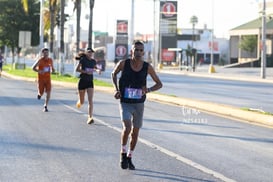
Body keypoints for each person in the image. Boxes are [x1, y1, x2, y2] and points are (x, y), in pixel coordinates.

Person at [111, 40, 163, 170]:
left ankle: (129, 157)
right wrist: (116, 89)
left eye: (141, 50)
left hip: (139, 103)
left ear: (143, 52)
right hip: (125, 102)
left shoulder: (147, 67)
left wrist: (149, 90)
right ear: (131, 51)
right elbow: (113, 74)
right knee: (127, 127)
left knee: (135, 132)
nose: (139, 52)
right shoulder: (124, 64)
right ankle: (122, 153)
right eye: (136, 50)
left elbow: (159, 84)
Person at [75, 47, 101, 124]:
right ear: (86, 53)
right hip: (82, 81)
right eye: (89, 52)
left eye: (91, 52)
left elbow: (95, 68)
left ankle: (90, 117)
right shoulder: (83, 60)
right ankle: (79, 101)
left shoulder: (93, 61)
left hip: (90, 82)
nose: (90, 54)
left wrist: (98, 70)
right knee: (82, 101)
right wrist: (86, 72)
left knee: (90, 100)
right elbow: (77, 69)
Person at [32, 48, 55, 112]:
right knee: (41, 92)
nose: (46, 54)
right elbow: (33, 68)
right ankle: (39, 94)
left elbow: (52, 68)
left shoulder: (50, 60)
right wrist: (39, 71)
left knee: (48, 92)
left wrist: (53, 70)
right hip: (41, 79)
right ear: (42, 53)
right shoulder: (40, 60)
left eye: (47, 53)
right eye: (45, 53)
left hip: (48, 79)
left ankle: (45, 106)